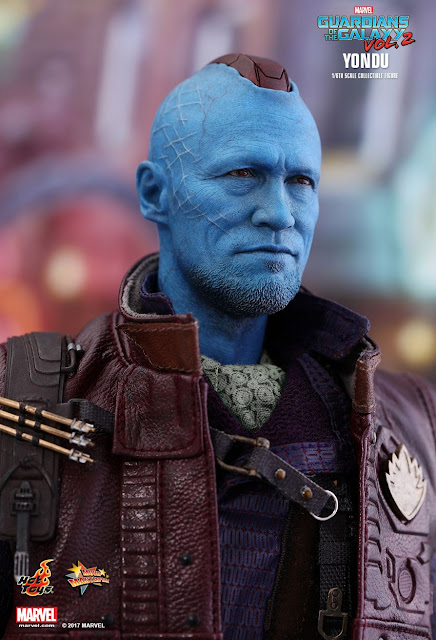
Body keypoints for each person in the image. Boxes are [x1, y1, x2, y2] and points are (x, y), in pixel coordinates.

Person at [0, 54, 435, 640]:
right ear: (154, 193)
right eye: (242, 174)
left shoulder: (411, 423)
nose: (279, 214)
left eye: (301, 182)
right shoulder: (24, 401)